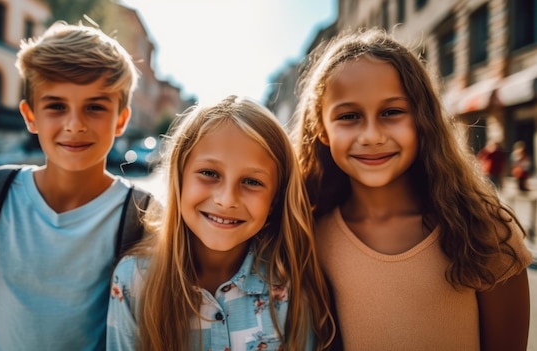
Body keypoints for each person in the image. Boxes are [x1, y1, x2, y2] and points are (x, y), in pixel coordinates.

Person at [291, 28, 532, 351]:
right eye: (349, 116)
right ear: (321, 130)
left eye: (391, 112)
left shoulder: (483, 230)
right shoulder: (308, 237)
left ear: (422, 119)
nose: (372, 136)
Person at [0, 21, 139, 351]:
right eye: (56, 106)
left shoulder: (142, 217)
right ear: (30, 116)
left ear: (121, 120)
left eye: (95, 107)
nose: (75, 124)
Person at [106, 95, 336, 350]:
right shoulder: (134, 281)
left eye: (252, 182)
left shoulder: (290, 286)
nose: (227, 200)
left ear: (275, 199)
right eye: (209, 173)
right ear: (179, 178)